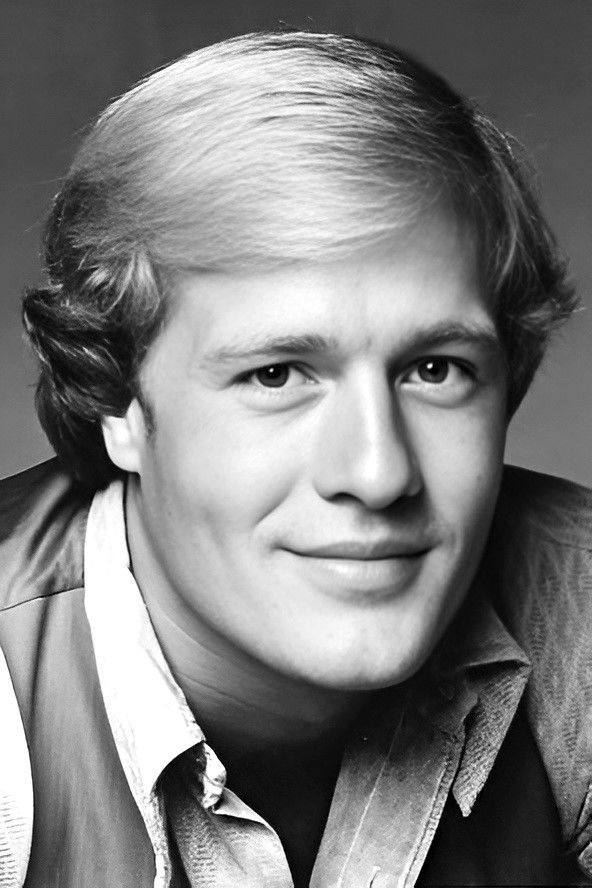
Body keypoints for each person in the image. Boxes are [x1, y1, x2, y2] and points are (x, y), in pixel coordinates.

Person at [0, 30, 590, 888]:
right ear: (116, 403)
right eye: (276, 375)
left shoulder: (575, 609)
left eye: (435, 370)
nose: (379, 473)